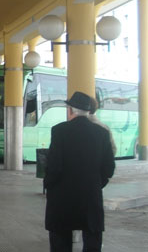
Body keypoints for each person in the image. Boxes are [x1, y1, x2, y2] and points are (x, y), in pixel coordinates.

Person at [44, 91, 115, 252]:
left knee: (60, 238)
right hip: (91, 195)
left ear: (70, 110)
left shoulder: (59, 131)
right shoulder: (102, 133)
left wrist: (49, 185)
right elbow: (109, 167)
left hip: (62, 196)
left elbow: (54, 165)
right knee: (92, 238)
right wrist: (96, 184)